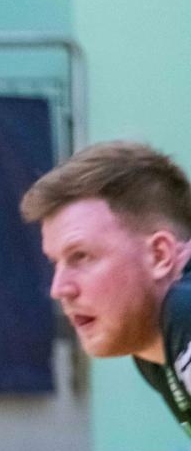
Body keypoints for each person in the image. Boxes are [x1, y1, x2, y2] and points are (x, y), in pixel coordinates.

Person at [21, 140, 191, 432]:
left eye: (81, 256)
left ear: (159, 255)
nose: (60, 288)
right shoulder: (152, 350)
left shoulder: (183, 311)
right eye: (55, 263)